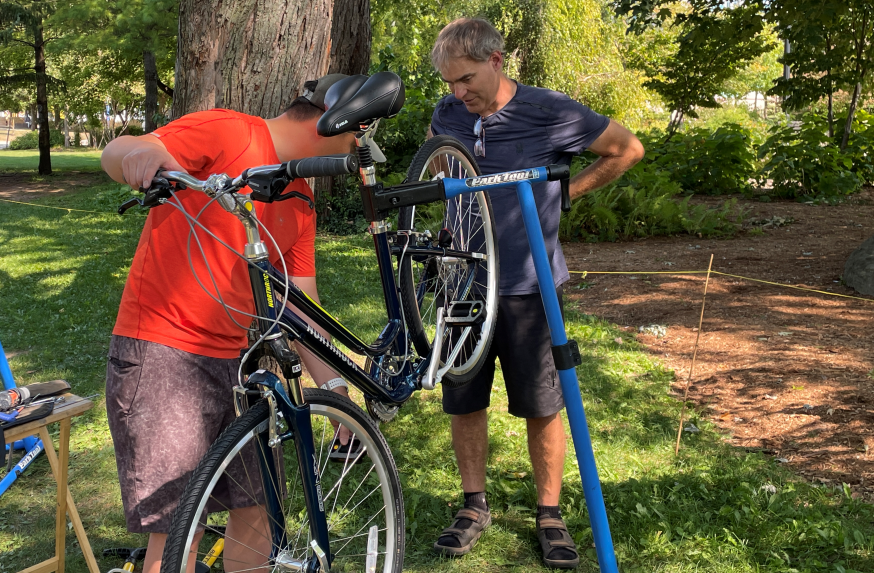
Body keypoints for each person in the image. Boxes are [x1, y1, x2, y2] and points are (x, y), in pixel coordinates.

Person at [100, 74, 369, 573]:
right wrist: (134, 155)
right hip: (164, 353)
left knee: (258, 511)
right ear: (337, 121)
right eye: (360, 131)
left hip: (241, 368)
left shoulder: (301, 198)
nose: (361, 146)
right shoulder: (231, 133)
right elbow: (123, 149)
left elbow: (299, 307)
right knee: (180, 529)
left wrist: (335, 387)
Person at [426, 18, 644, 569]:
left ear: (497, 60)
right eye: (451, 82)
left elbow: (626, 149)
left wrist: (567, 192)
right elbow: (436, 166)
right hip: (465, 281)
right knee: (464, 398)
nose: (459, 93)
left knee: (543, 403)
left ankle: (549, 513)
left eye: (467, 79)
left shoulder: (552, 111)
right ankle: (474, 505)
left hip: (530, 285)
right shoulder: (450, 113)